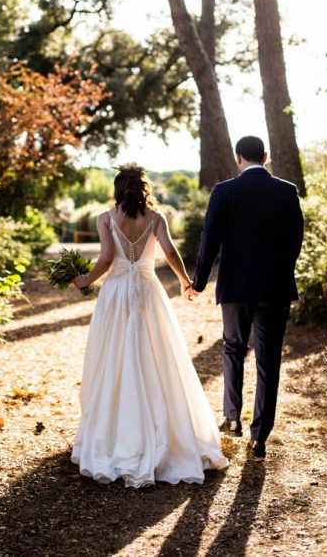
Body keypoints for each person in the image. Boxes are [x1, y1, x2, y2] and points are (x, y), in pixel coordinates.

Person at [71, 163, 228, 488]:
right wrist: (185, 280)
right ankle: (165, 434)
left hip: (116, 294)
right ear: (144, 189)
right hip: (148, 290)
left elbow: (106, 258)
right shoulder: (156, 218)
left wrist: (85, 279)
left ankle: (116, 436)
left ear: (117, 189)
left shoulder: (105, 218)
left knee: (115, 358)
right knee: (156, 356)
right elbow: (169, 251)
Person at [186, 136, 304, 460]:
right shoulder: (287, 191)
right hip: (275, 288)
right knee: (269, 360)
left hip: (235, 286)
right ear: (264, 156)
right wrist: (281, 271)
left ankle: (232, 419)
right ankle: (260, 436)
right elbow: (296, 239)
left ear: (238, 158)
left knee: (233, 348)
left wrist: (198, 282)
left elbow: (209, 239)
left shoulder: (224, 191)